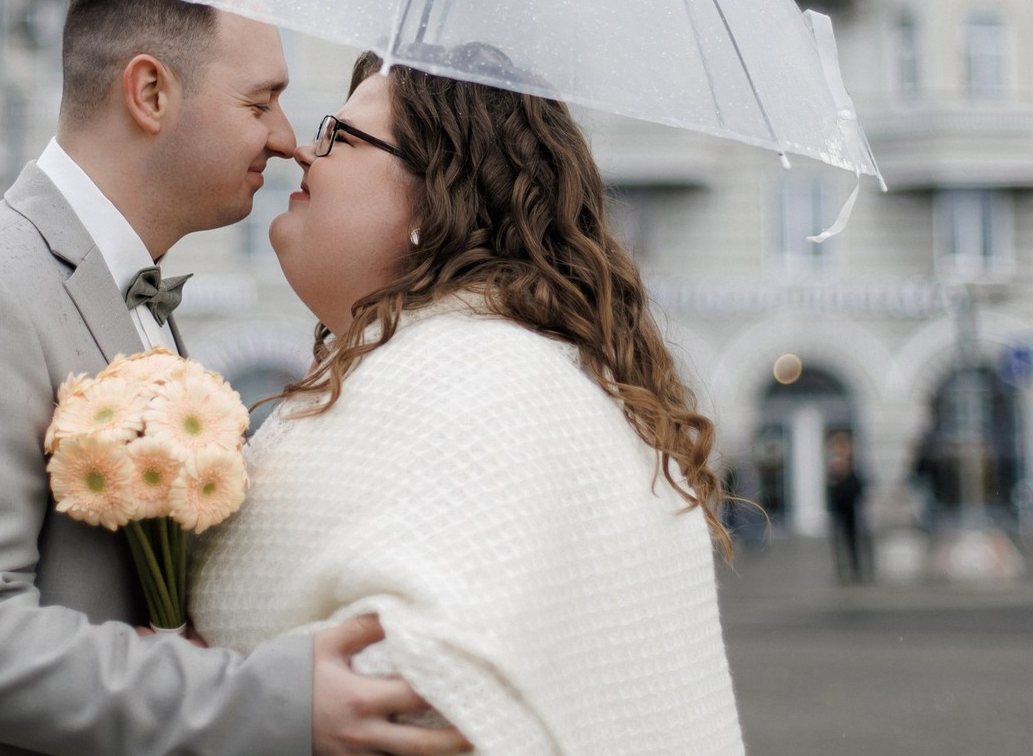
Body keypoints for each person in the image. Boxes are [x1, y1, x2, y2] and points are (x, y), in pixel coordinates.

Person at [0, 0, 470, 756]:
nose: (287, 139)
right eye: (259, 103)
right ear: (149, 93)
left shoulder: (136, 304)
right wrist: (259, 697)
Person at [191, 49, 745, 755]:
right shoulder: (489, 363)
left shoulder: (477, 377)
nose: (303, 149)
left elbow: (439, 689)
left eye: (340, 135)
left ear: (436, 194)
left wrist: (200, 689)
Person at [826, 432, 868, 584]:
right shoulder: (833, 470)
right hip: (839, 508)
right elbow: (831, 491)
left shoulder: (853, 468)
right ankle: (840, 568)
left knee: (852, 539)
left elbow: (858, 488)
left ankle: (855, 568)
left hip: (850, 508)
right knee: (838, 539)